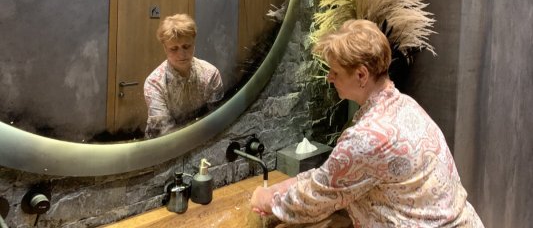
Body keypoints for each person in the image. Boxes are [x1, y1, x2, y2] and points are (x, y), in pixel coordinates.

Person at [251, 19, 484, 227]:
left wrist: (267, 199)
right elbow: (335, 177)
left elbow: (313, 200)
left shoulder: (368, 136)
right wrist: (284, 186)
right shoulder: (404, 104)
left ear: (361, 75)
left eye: (335, 72)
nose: (329, 78)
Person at [144, 13, 223, 138]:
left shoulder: (210, 74)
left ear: (193, 43)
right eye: (174, 49)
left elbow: (216, 119)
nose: (182, 54)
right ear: (165, 48)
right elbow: (165, 132)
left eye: (186, 46)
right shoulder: (154, 83)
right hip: (164, 143)